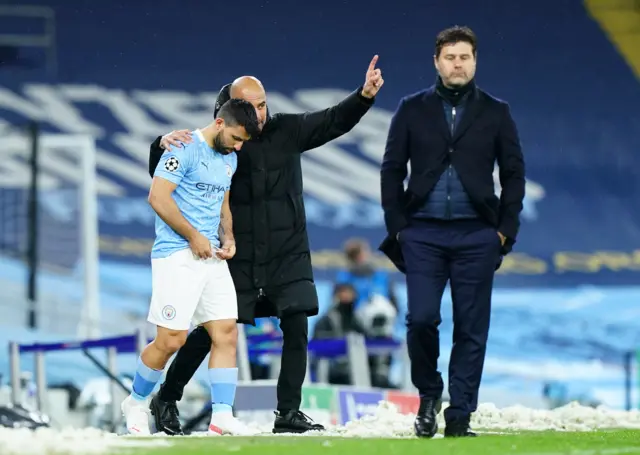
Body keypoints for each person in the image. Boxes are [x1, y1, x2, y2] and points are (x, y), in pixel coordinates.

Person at [147, 59, 384, 435]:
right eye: (250, 105)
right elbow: (166, 172)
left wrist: (364, 96)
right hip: (238, 253)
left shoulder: (288, 129)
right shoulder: (218, 140)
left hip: (287, 251)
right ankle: (167, 396)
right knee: (212, 332)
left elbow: (333, 119)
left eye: (262, 104)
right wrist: (159, 143)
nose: (259, 112)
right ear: (228, 109)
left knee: (296, 323)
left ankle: (288, 413)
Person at [379, 26, 525, 438]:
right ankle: (429, 396)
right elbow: (392, 170)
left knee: (471, 327)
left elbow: (514, 174)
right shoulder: (411, 108)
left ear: (475, 61)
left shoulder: (497, 111)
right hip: (421, 233)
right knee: (421, 319)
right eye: (450, 57)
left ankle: (460, 415)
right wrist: (399, 228)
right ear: (436, 62)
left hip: (478, 234)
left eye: (464, 57)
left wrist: (504, 231)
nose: (457, 64)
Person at [121, 99, 261, 436]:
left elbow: (222, 202)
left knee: (227, 332)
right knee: (171, 340)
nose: (239, 146)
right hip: (176, 255)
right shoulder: (182, 148)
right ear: (219, 123)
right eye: (237, 138)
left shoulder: (230, 158)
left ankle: (222, 416)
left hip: (210, 257)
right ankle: (137, 401)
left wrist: (228, 238)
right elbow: (157, 197)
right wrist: (193, 236)